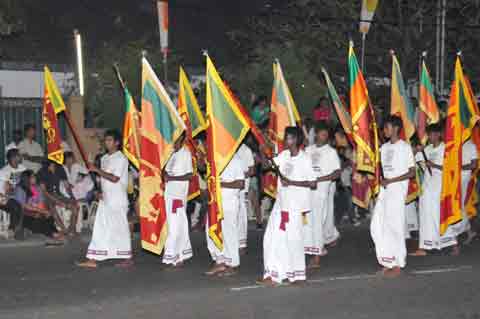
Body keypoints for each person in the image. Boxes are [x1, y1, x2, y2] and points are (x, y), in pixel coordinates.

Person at [259, 126, 316, 286]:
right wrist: (264, 152)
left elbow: (313, 183)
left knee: (294, 240)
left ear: (296, 140)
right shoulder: (284, 155)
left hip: (296, 207)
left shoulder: (304, 159)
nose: (285, 140)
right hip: (281, 205)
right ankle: (273, 274)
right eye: (286, 137)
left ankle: (298, 276)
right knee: (271, 238)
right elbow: (266, 166)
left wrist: (292, 182)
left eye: (289, 138)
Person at [77, 129, 132, 268]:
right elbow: (103, 179)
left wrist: (96, 170)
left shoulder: (121, 159)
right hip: (106, 198)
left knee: (120, 229)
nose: (106, 143)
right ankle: (93, 258)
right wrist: (99, 191)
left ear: (117, 143)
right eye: (105, 140)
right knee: (101, 227)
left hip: (118, 199)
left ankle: (126, 257)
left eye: (109, 140)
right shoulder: (104, 158)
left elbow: (114, 178)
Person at [370, 116, 415, 277]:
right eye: (384, 128)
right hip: (385, 190)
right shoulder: (384, 148)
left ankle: (398, 263)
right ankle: (388, 260)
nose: (385, 131)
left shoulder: (405, 148)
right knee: (378, 225)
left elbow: (411, 172)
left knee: (395, 227)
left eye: (387, 127)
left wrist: (392, 180)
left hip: (397, 190)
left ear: (396, 128)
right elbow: (382, 171)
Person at [410, 123, 457, 256]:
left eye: (433, 134)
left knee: (440, 215)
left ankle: (451, 243)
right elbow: (415, 161)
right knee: (425, 216)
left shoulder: (445, 149)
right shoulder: (428, 149)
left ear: (439, 135)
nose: (430, 137)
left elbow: (451, 169)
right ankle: (426, 245)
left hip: (440, 187)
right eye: (429, 134)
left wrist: (435, 165)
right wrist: (417, 151)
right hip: (427, 188)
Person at [304, 122, 341, 269]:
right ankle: (316, 248)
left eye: (326, 135)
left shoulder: (331, 152)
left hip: (320, 193)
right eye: (322, 134)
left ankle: (317, 256)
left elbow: (337, 173)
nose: (324, 137)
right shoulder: (308, 150)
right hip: (306, 193)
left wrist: (320, 179)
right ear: (316, 134)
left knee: (317, 223)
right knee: (307, 223)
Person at [205, 153, 245, 277]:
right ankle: (219, 261)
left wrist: (221, 184)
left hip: (229, 203)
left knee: (229, 234)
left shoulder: (236, 159)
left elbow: (240, 183)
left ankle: (232, 264)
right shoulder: (216, 158)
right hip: (215, 202)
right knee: (210, 230)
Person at [162, 133, 194, 268]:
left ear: (181, 139)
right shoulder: (171, 153)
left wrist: (172, 179)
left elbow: (189, 175)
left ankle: (171, 256)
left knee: (175, 226)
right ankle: (180, 254)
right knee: (174, 225)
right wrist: (164, 175)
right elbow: (165, 170)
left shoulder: (185, 153)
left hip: (178, 196)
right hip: (169, 194)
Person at [14, 170, 64, 241]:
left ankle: (53, 231)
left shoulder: (37, 188)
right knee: (38, 220)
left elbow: (41, 202)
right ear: (27, 179)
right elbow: (23, 206)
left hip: (36, 211)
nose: (35, 178)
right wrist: (40, 211)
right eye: (33, 176)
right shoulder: (20, 189)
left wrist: (42, 212)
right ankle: (52, 233)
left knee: (48, 216)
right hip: (23, 214)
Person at [37, 160, 79, 235]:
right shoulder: (41, 172)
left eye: (54, 166)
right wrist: (59, 202)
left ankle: (71, 228)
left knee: (75, 206)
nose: (53, 168)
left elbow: (67, 186)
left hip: (57, 194)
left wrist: (72, 197)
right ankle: (64, 230)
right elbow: (44, 192)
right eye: (51, 166)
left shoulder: (60, 169)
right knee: (52, 208)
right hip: (46, 196)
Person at [450, 137, 479, 245]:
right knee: (457, 205)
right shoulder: (455, 142)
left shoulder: (471, 145)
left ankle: (454, 236)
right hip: (452, 179)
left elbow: (474, 165)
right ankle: (469, 231)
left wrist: (458, 168)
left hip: (463, 178)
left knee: (457, 205)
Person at [0, 149, 27, 239]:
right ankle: (15, 229)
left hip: (21, 195)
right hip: (5, 197)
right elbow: (4, 191)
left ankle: (17, 228)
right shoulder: (4, 171)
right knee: (16, 205)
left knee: (22, 198)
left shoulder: (23, 168)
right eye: (19, 155)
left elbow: (28, 183)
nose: (20, 157)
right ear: (13, 158)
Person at [235, 140, 255, 254]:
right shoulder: (229, 149)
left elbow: (251, 170)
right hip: (229, 189)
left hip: (241, 189)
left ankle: (242, 244)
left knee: (241, 216)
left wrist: (237, 176)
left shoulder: (246, 150)